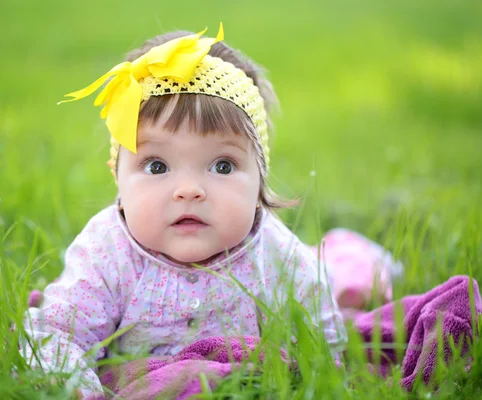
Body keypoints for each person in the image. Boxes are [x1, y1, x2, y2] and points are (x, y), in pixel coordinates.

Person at [22, 24, 399, 396]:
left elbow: (322, 338)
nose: (189, 191)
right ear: (117, 177)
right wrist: (75, 386)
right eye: (157, 166)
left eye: (222, 166)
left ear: (259, 179)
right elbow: (60, 332)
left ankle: (353, 259)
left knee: (338, 275)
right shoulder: (107, 252)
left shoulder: (275, 254)